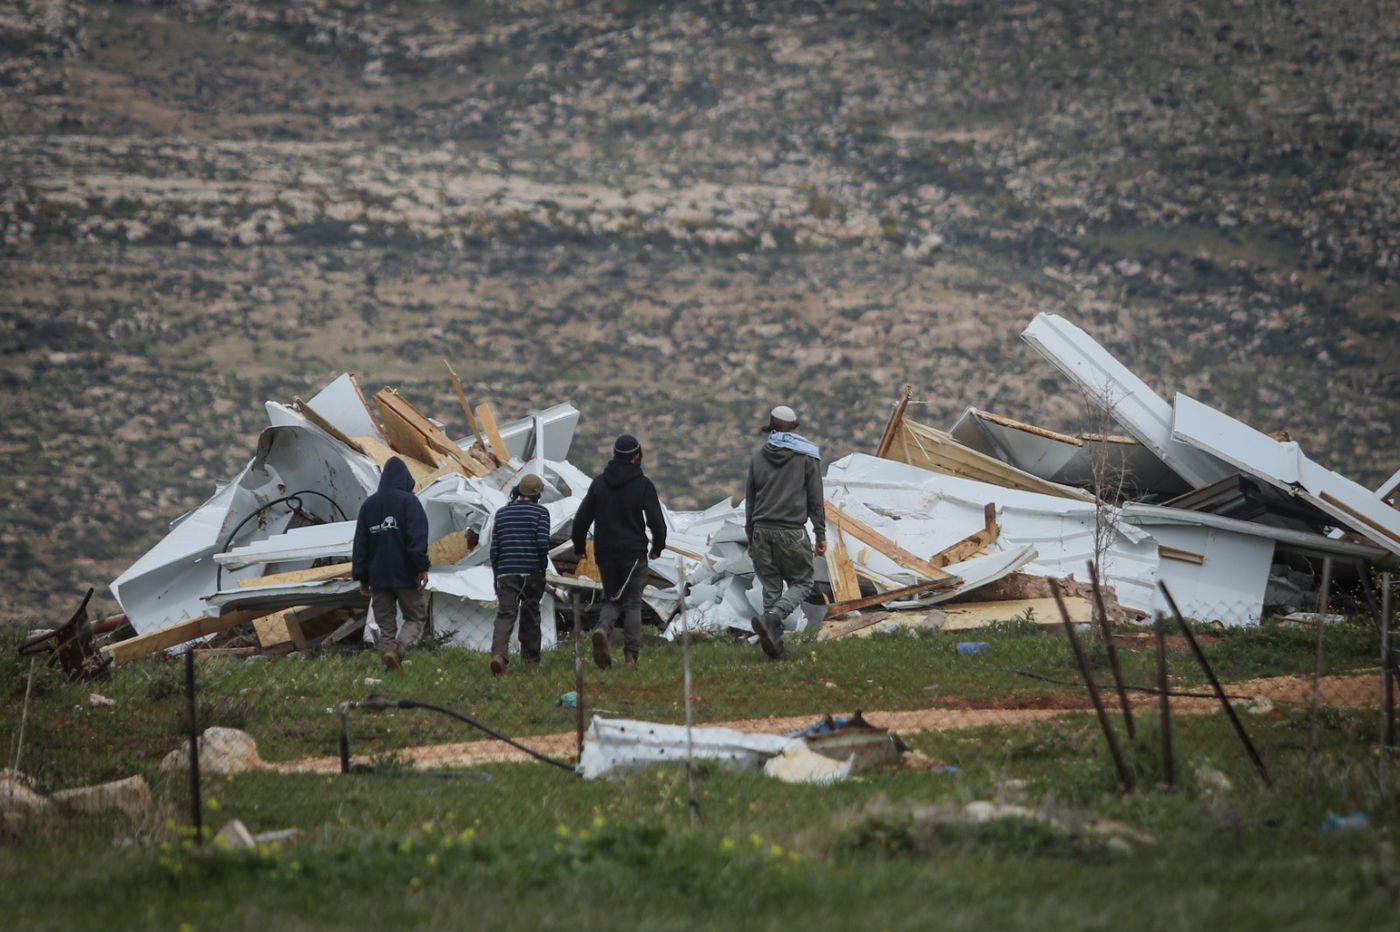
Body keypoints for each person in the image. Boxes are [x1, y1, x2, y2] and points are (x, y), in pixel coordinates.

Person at [571, 433, 666, 670]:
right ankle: (630, 657)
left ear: (614, 454)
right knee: (632, 603)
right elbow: (657, 522)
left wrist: (579, 547)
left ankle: (603, 630)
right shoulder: (643, 485)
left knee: (611, 599)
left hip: (606, 552)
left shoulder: (599, 483)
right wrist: (657, 547)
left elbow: (581, 519)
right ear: (637, 456)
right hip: (633, 553)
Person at [745, 404, 826, 660]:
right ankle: (773, 619)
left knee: (771, 586)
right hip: (791, 530)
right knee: (803, 582)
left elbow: (750, 501)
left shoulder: (758, 457)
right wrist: (820, 533)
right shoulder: (806, 456)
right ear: (794, 427)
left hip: (761, 530)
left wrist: (750, 537)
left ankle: (774, 647)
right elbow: (815, 498)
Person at [352, 456, 430, 671]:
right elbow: (417, 538)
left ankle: (389, 665)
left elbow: (361, 545)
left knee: (386, 626)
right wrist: (421, 567)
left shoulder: (368, 505)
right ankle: (398, 649)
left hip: (378, 577)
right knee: (416, 617)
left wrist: (362, 576)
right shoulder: (409, 501)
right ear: (405, 478)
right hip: (404, 574)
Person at [488, 473, 551, 676]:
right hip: (532, 572)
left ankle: (499, 655)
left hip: (506, 572)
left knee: (506, 614)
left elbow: (494, 550)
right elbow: (542, 545)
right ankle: (531, 661)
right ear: (538, 494)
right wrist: (541, 569)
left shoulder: (502, 514)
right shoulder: (541, 513)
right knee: (530, 614)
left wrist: (497, 575)